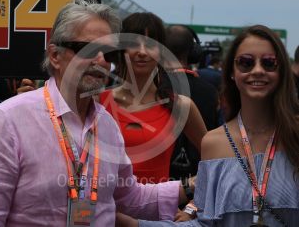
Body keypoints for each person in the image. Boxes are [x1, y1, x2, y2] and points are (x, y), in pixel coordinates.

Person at [0, 0, 188, 226]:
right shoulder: (9, 120)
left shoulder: (107, 125)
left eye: (109, 53)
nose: (101, 61)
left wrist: (194, 185)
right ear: (55, 55)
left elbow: (130, 198)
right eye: (88, 49)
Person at [120, 24, 299, 226]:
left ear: (282, 71)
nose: (257, 70)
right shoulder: (213, 143)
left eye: (269, 63)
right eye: (246, 63)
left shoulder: (294, 136)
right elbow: (204, 223)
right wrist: (133, 224)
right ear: (232, 71)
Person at [99, 13, 207, 184]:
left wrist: (191, 205)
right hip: (102, 209)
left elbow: (218, 161)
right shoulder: (97, 102)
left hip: (158, 208)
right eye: (134, 43)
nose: (142, 51)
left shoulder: (180, 106)